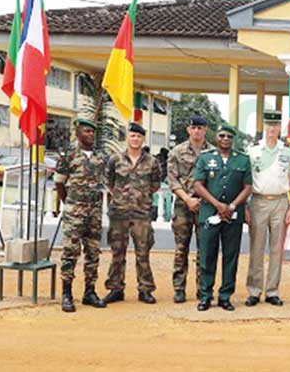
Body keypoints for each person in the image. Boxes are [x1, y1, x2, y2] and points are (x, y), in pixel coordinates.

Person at [192, 123, 252, 311]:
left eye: (229, 137)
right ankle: (205, 296)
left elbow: (248, 187)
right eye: (222, 136)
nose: (225, 139)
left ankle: (225, 296)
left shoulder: (242, 160)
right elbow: (198, 185)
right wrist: (218, 205)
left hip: (233, 215)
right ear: (216, 137)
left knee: (230, 256)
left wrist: (232, 206)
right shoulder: (205, 158)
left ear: (233, 139)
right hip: (210, 213)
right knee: (207, 255)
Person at [103, 123, 163, 305]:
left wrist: (140, 197)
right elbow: (110, 183)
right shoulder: (115, 160)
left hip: (141, 214)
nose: (135, 139)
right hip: (119, 213)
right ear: (127, 138)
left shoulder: (152, 162)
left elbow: (156, 185)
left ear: (143, 139)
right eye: (132, 136)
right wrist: (122, 198)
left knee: (143, 253)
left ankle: (145, 290)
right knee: (117, 253)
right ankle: (115, 289)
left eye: (138, 136)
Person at [244, 110, 290, 307]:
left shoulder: (287, 151)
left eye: (275, 126)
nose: (271, 129)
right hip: (258, 202)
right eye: (268, 125)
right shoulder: (253, 151)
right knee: (256, 248)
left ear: (279, 128)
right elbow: (246, 181)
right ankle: (254, 290)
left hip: (280, 203)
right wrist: (246, 206)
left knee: (277, 250)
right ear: (264, 127)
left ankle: (272, 291)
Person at [54, 118, 108, 312]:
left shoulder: (101, 156)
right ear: (78, 134)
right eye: (87, 131)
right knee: (70, 253)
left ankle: (90, 292)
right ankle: (66, 294)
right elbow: (59, 183)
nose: (91, 135)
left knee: (93, 252)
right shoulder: (69, 154)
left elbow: (107, 180)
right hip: (74, 212)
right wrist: (68, 204)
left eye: (93, 132)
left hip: (94, 212)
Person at [166, 114, 213, 303]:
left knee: (205, 250)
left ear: (205, 130)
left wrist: (203, 200)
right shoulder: (177, 152)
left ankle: (203, 289)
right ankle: (179, 288)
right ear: (188, 130)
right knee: (181, 249)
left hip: (205, 207)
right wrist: (187, 199)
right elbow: (172, 179)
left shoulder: (213, 153)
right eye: (193, 128)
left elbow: (217, 181)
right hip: (183, 205)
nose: (197, 131)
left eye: (200, 128)